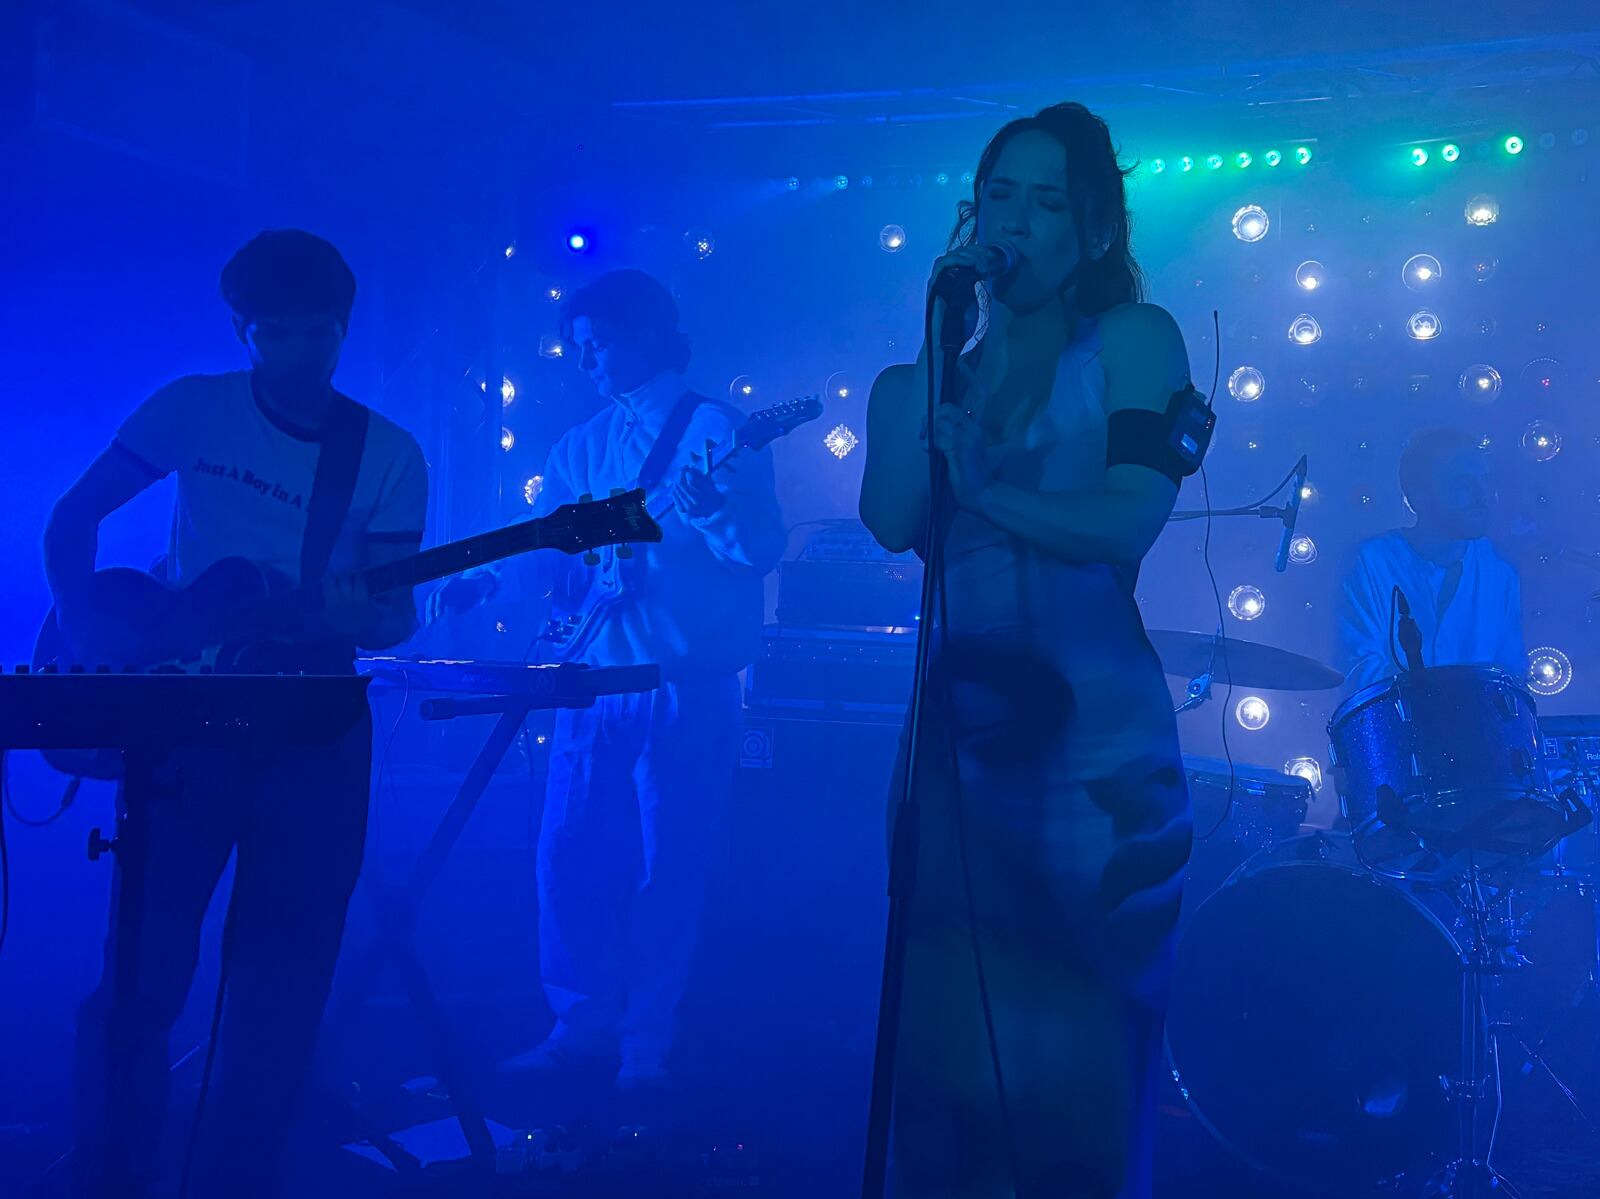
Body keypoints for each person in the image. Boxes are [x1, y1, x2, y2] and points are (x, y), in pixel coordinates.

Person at [44, 229, 428, 1197]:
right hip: (185, 720)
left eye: (320, 333)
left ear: (345, 329)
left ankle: (234, 1177)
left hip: (315, 727)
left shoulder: (385, 451)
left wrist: (369, 612)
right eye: (277, 334)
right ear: (241, 330)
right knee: (140, 975)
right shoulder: (191, 407)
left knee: (280, 992)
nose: (301, 353)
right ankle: (108, 1172)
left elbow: (391, 613)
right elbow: (72, 519)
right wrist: (90, 629)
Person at [859, 103, 1194, 1198]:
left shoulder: (1135, 343)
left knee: (1081, 1071)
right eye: (1000, 193)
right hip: (956, 749)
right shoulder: (913, 388)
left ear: (1094, 232)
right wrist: (936, 338)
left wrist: (993, 484)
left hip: (1094, 760)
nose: (1018, 219)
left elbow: (1125, 519)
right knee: (945, 1064)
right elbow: (891, 514)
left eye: (1049, 201)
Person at [428, 269, 786, 1091]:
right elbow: (559, 561)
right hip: (593, 681)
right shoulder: (580, 447)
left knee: (671, 862)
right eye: (579, 345)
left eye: (600, 341)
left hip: (685, 683)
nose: (586, 358)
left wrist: (711, 509)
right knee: (568, 853)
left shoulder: (716, 430)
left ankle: (645, 1044)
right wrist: (494, 583)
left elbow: (760, 551)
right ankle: (577, 1025)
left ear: (649, 334)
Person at [1335, 426, 1524, 695]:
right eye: (1463, 483)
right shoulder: (1369, 562)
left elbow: (1512, 678)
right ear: (1418, 496)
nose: (1482, 495)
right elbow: (1359, 676)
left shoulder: (1500, 572)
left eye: (1484, 480)